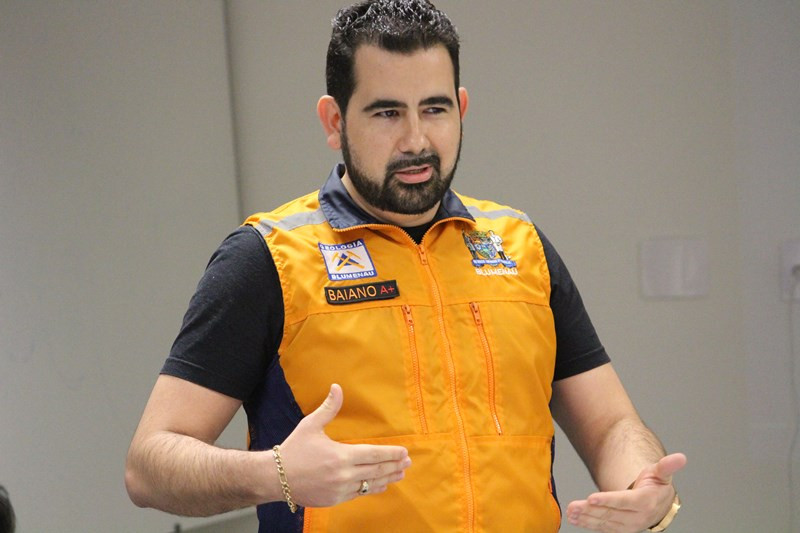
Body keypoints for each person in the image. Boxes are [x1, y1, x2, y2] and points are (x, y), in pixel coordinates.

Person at [125, 1, 686, 531]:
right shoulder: (266, 259)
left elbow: (611, 424)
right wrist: (275, 474)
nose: (416, 140)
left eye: (434, 109)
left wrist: (642, 484)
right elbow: (148, 466)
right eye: (387, 112)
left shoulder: (522, 247)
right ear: (334, 121)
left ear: (461, 109)